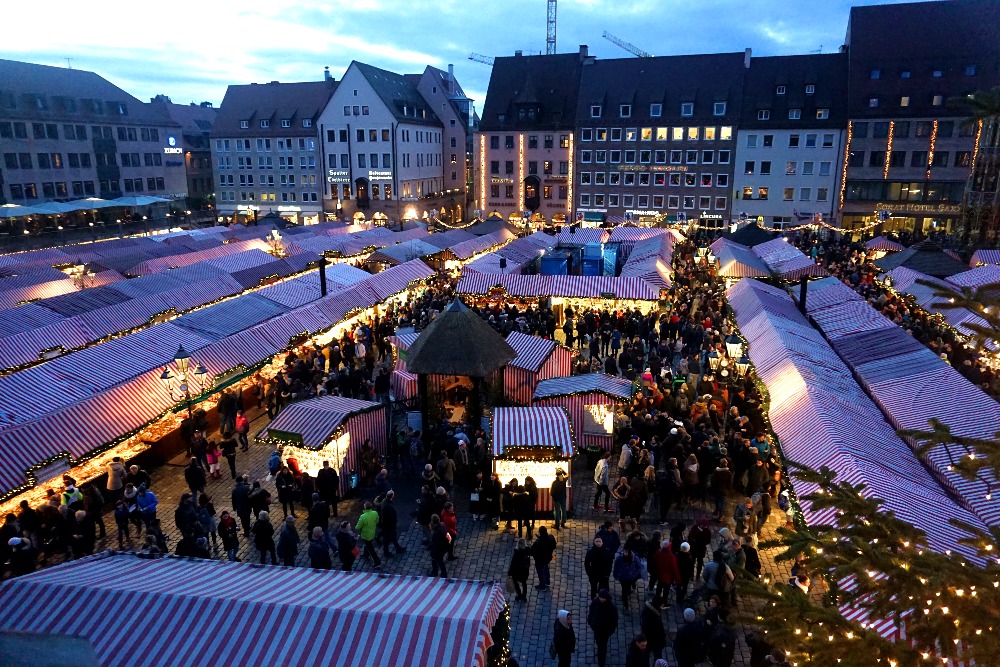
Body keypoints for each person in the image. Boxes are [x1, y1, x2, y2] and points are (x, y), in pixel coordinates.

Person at [587, 588, 618, 667]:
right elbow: (591, 611)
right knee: (598, 641)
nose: (602, 599)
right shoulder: (595, 602)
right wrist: (590, 621)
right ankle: (599, 650)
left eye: (603, 598)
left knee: (603, 646)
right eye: (601, 597)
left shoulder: (611, 607)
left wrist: (611, 630)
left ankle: (601, 663)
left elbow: (614, 620)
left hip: (605, 631)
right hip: (597, 628)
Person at [355, 501, 381, 569]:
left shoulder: (363, 516)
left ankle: (377, 562)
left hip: (366, 535)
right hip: (372, 533)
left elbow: (358, 527)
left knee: (371, 548)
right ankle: (365, 555)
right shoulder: (375, 513)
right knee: (368, 545)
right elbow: (377, 521)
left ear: (365, 507)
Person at [641, 595, 668, 660]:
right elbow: (659, 631)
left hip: (647, 638)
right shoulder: (655, 618)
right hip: (655, 641)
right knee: (657, 656)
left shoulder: (646, 610)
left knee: (646, 654)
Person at [531, 526, 556, 591]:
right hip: (547, 558)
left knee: (540, 572)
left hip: (539, 560)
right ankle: (547, 582)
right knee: (546, 568)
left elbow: (532, 551)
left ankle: (542, 586)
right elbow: (554, 546)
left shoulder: (537, 543)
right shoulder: (550, 537)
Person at [508, 538, 531, 602]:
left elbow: (513, 564)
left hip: (517, 572)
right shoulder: (527, 550)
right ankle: (524, 596)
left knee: (516, 583)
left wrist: (510, 573)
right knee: (524, 583)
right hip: (525, 571)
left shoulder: (517, 553)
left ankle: (519, 595)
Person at [429, 514, 450, 578]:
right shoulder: (442, 524)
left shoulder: (436, 533)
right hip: (444, 547)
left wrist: (433, 551)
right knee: (437, 560)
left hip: (439, 549)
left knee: (438, 561)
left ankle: (438, 573)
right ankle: (437, 572)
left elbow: (435, 544)